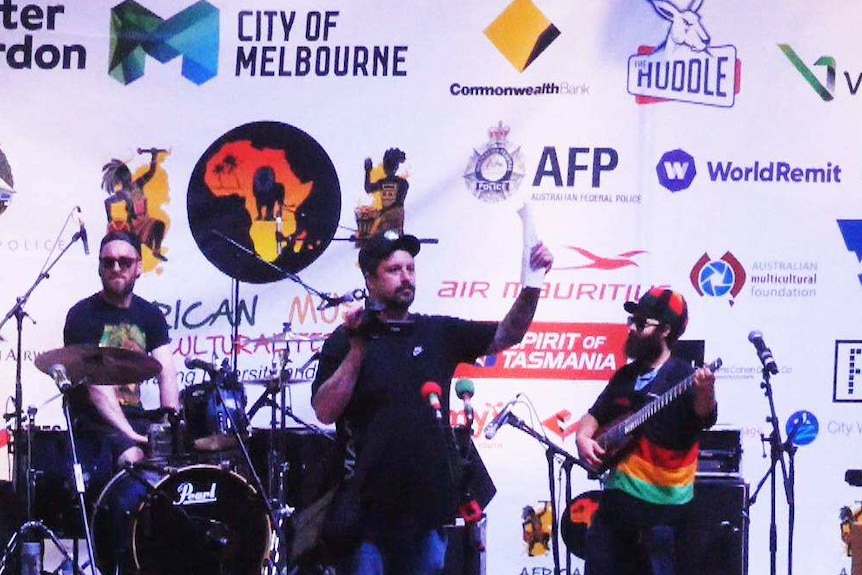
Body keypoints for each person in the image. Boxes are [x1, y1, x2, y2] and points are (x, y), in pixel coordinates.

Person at [311, 229, 553, 575]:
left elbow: (509, 333)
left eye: (411, 269)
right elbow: (325, 410)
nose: (406, 277)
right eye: (394, 270)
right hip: (366, 516)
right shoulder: (347, 340)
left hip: (427, 513)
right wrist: (358, 349)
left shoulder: (438, 333)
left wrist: (533, 283)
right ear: (369, 279)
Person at [574, 288, 717, 575]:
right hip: (614, 514)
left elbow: (705, 415)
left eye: (641, 324)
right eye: (632, 321)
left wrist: (707, 390)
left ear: (664, 330)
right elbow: (593, 415)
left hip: (661, 519)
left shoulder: (683, 377)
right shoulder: (625, 376)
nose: (632, 329)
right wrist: (582, 438)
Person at [63, 230, 179, 469]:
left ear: (138, 267)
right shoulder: (81, 316)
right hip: (96, 423)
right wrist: (134, 437)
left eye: (124, 262)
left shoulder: (151, 316)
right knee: (133, 456)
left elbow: (166, 373)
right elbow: (97, 388)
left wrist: (170, 424)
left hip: (136, 417)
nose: (116, 268)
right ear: (99, 268)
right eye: (109, 262)